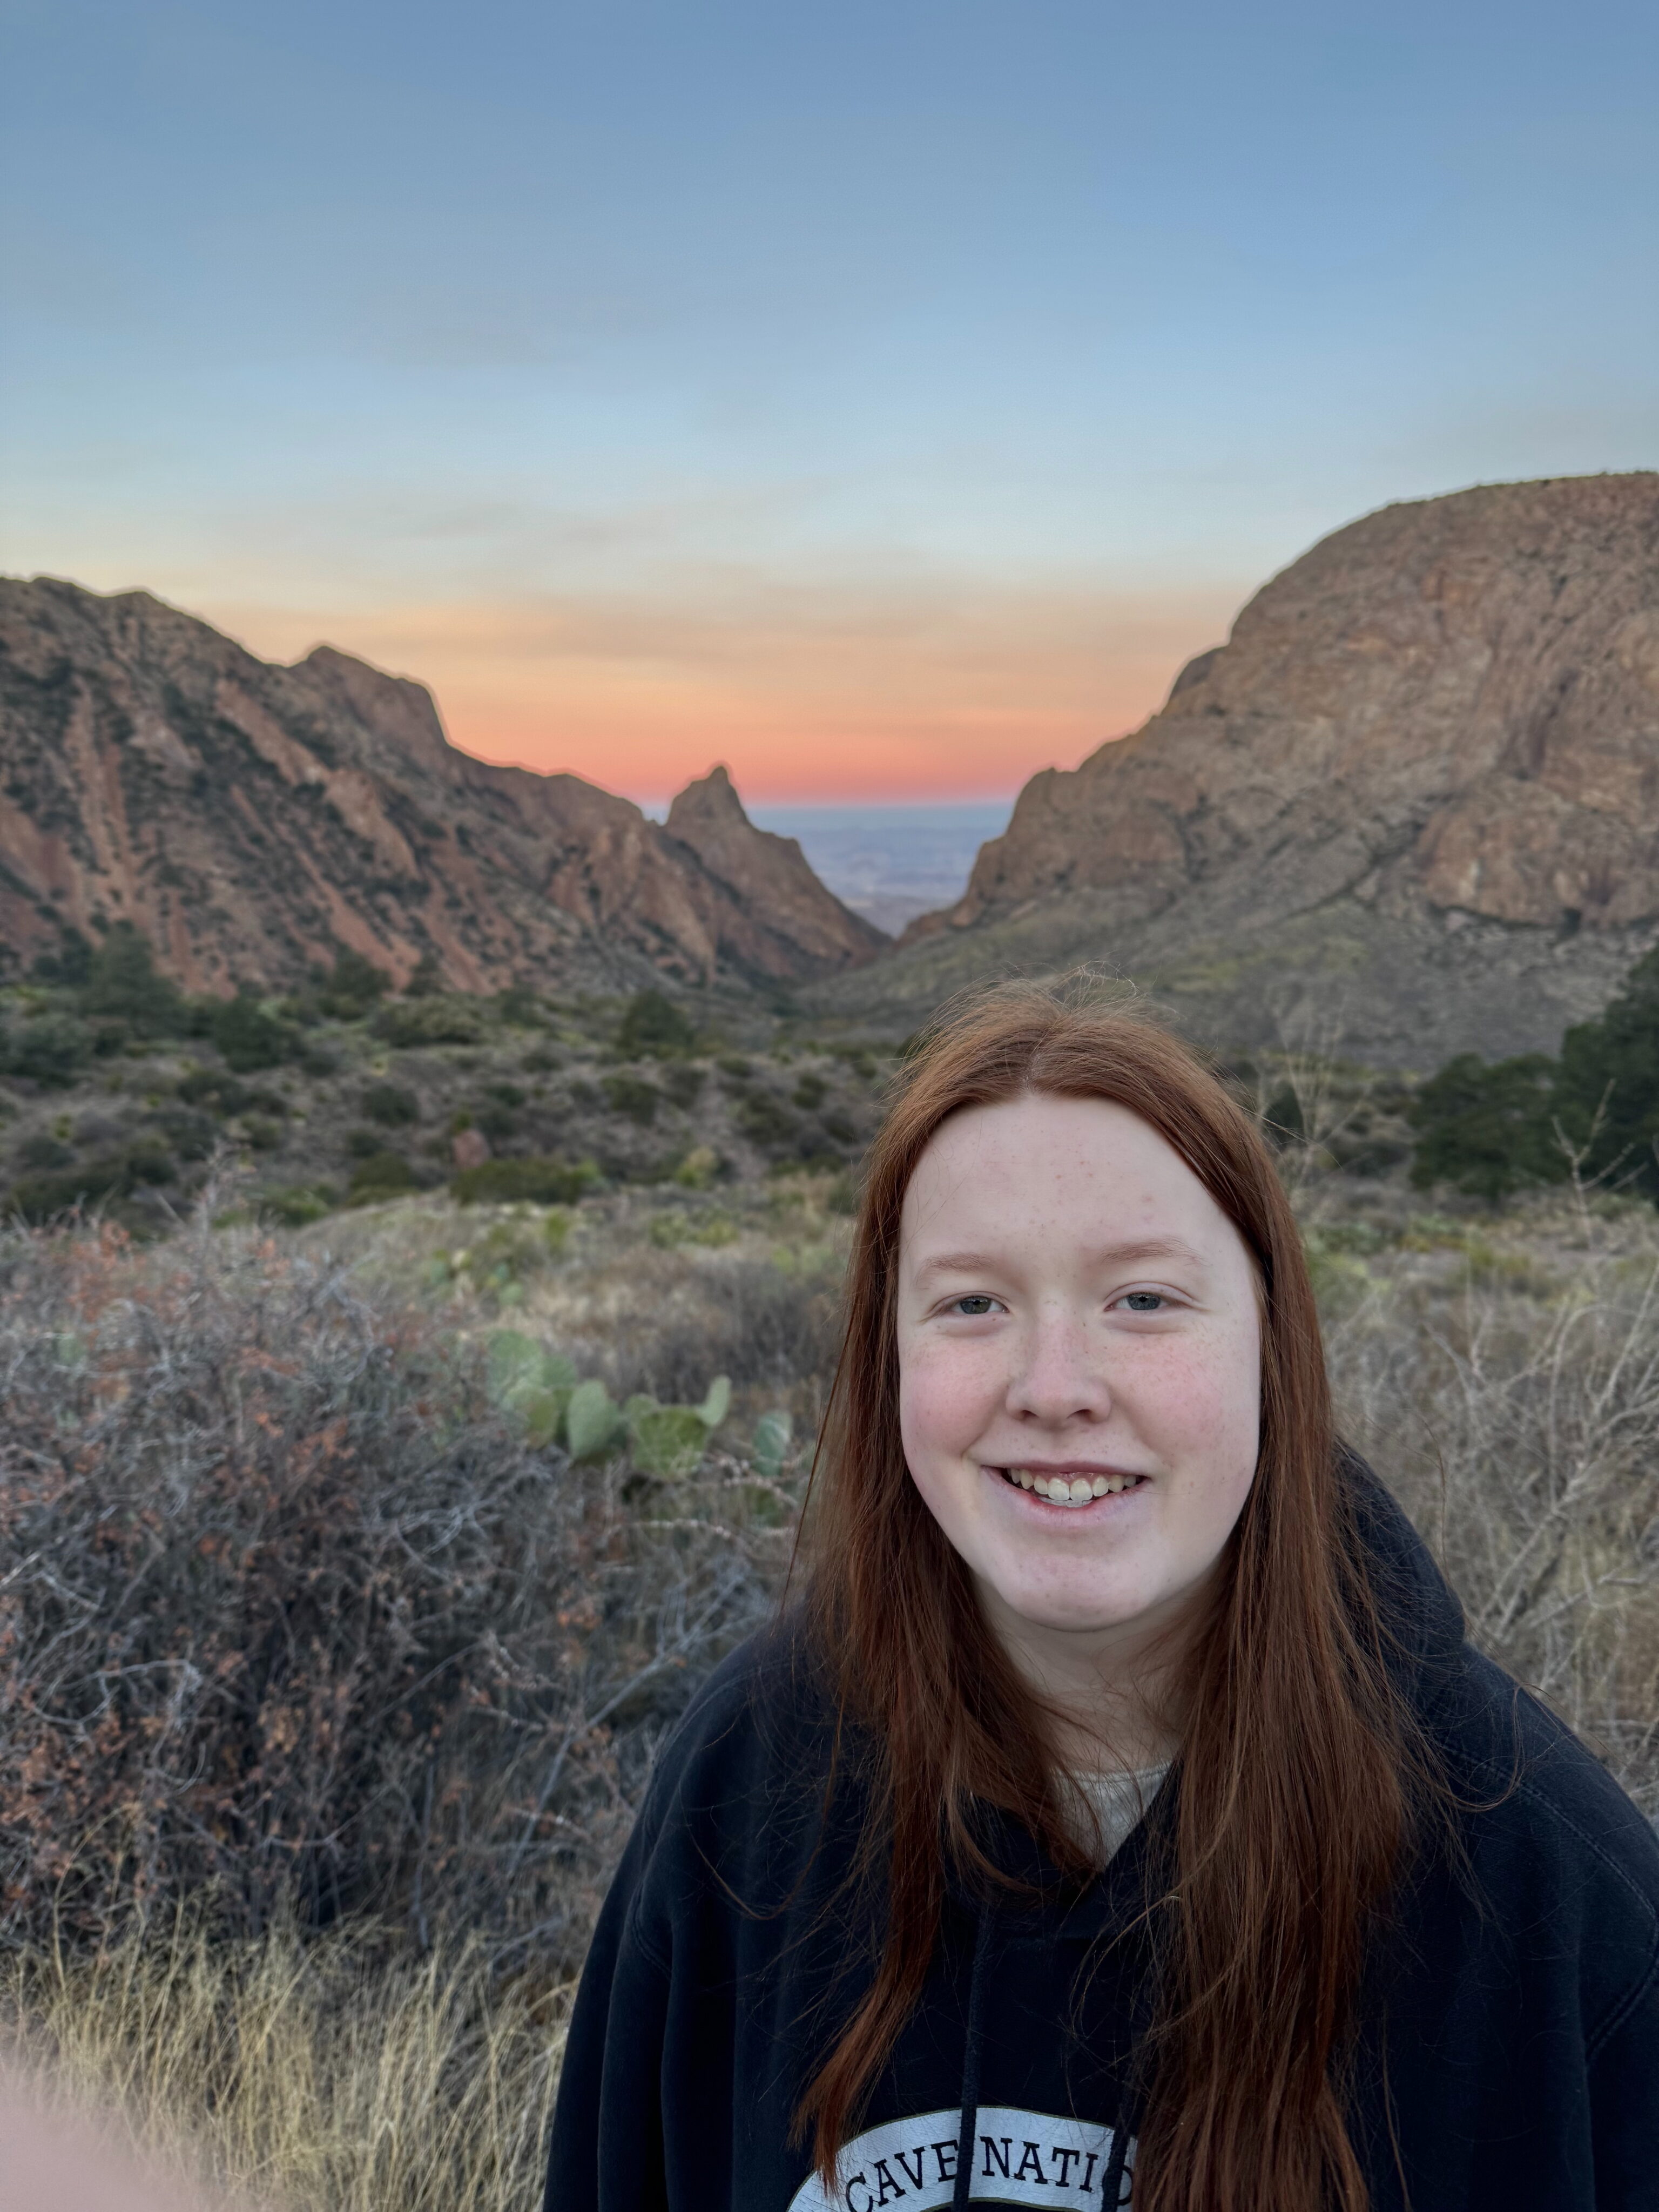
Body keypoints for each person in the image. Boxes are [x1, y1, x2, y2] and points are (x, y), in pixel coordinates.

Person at [544, 988, 1659, 2211]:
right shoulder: (750, 1786)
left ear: (1272, 1345)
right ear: (890, 1358)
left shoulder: (1545, 1886)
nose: (1055, 1385)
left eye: (1143, 1298)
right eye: (973, 1301)